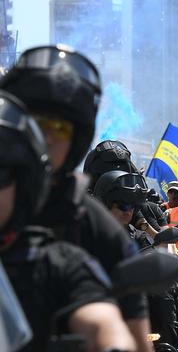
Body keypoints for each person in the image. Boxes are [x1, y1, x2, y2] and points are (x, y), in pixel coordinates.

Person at [0, 45, 152, 351]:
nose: (42, 135)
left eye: (57, 126)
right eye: (32, 119)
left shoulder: (90, 230)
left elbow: (118, 329)